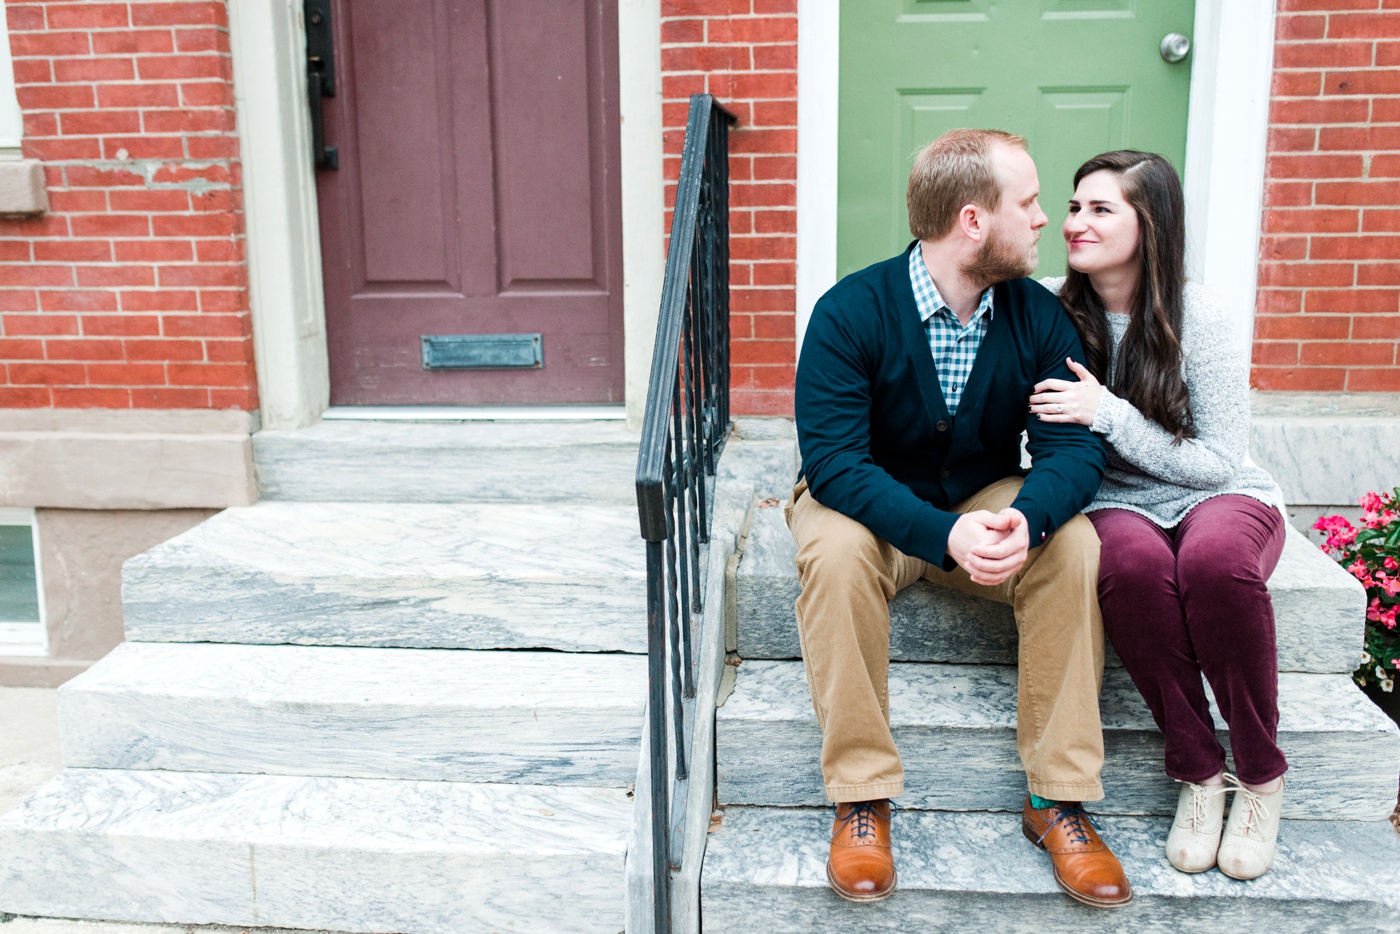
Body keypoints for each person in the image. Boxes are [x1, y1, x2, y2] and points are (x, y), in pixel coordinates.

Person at [790, 128, 1131, 909]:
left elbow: (1072, 453)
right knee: (836, 559)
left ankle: (1056, 800)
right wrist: (942, 534)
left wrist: (1029, 519)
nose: (1048, 219)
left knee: (1074, 546)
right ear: (973, 222)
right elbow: (835, 464)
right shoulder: (850, 312)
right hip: (866, 505)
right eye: (1031, 202)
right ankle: (862, 796)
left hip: (981, 496)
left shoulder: (1038, 319)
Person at [1032, 150, 1288, 880]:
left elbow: (1219, 458)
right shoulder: (1050, 309)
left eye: (1100, 209)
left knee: (1212, 565)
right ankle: (1201, 774)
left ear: (1150, 224)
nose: (1076, 223)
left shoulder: (1198, 314)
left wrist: (1110, 415)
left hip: (1220, 494)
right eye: (1074, 207)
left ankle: (1263, 777)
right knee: (1134, 568)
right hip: (1113, 500)